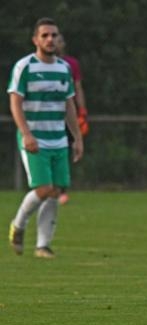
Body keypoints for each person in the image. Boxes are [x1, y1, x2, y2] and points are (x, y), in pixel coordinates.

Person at [7, 17, 84, 259]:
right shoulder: (25, 67)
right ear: (35, 40)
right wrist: (26, 133)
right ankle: (18, 225)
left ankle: (43, 245)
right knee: (44, 188)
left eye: (53, 35)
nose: (50, 39)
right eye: (45, 35)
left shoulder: (63, 68)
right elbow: (15, 101)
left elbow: (69, 104)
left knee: (56, 190)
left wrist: (77, 138)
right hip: (35, 138)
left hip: (58, 139)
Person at [54, 33, 89, 205]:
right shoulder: (38, 64)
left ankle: (62, 189)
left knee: (64, 148)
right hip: (49, 114)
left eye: (58, 39)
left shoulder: (70, 64)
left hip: (65, 112)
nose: (55, 42)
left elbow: (77, 87)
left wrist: (81, 109)